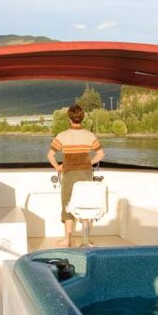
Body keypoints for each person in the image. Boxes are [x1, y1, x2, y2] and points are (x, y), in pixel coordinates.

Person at [47, 104, 105, 247]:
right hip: (86, 174)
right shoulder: (89, 135)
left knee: (67, 205)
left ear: (70, 118)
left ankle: (67, 240)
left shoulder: (62, 136)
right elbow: (101, 154)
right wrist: (89, 162)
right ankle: (86, 240)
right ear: (82, 118)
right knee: (86, 203)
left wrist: (58, 167)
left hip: (69, 174)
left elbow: (50, 155)